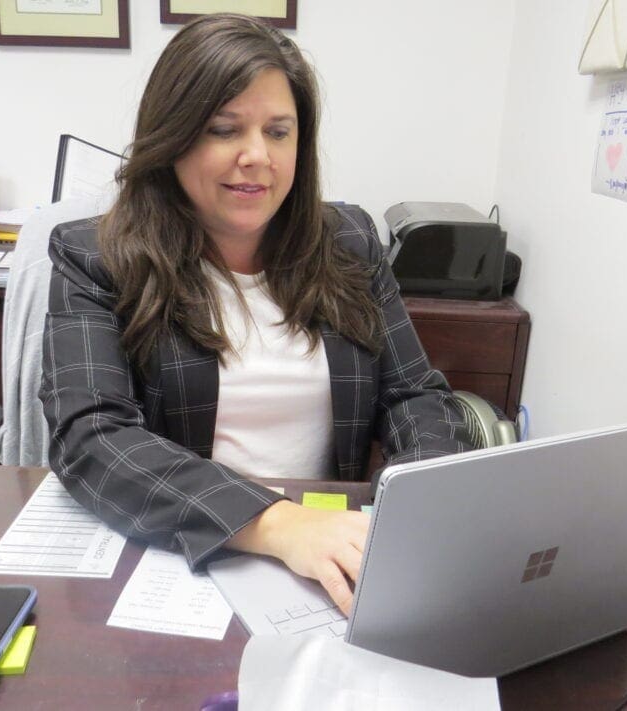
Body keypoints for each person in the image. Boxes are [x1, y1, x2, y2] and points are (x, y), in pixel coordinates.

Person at [39, 13, 472, 614]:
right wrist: (276, 524)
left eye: (278, 131)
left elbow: (414, 396)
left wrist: (416, 503)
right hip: (182, 554)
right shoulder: (96, 256)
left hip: (323, 552)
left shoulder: (348, 240)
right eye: (223, 129)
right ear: (172, 138)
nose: (256, 157)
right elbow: (92, 436)